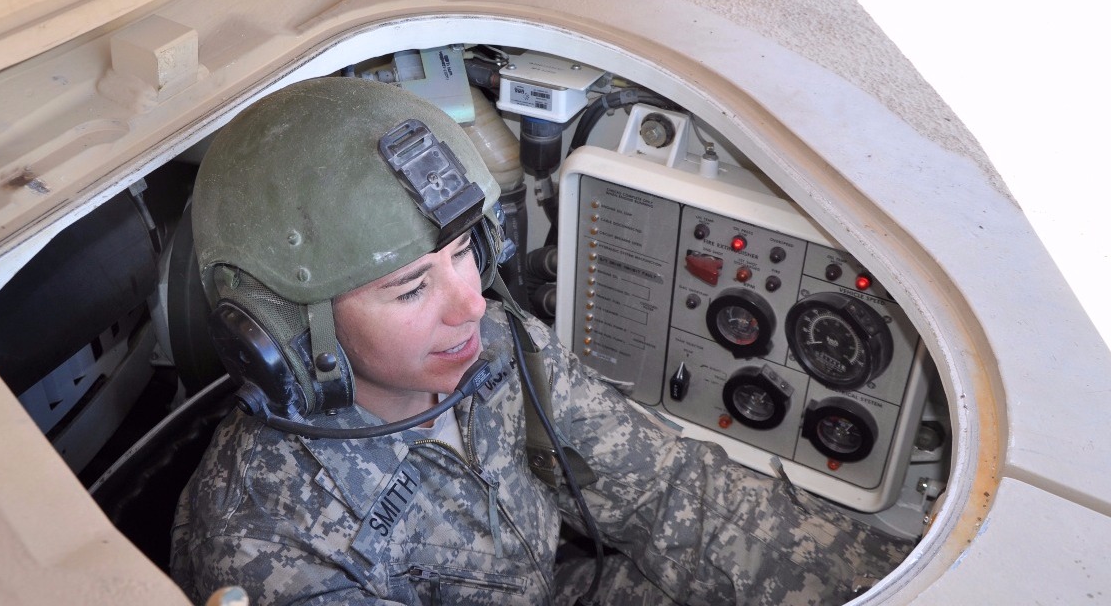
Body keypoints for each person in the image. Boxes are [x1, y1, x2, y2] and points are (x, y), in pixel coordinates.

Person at [169, 76, 912, 605]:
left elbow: (668, 491)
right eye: (412, 288)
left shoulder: (496, 346)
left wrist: (912, 584)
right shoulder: (270, 550)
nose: (472, 305)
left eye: (464, 252)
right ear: (278, 333)